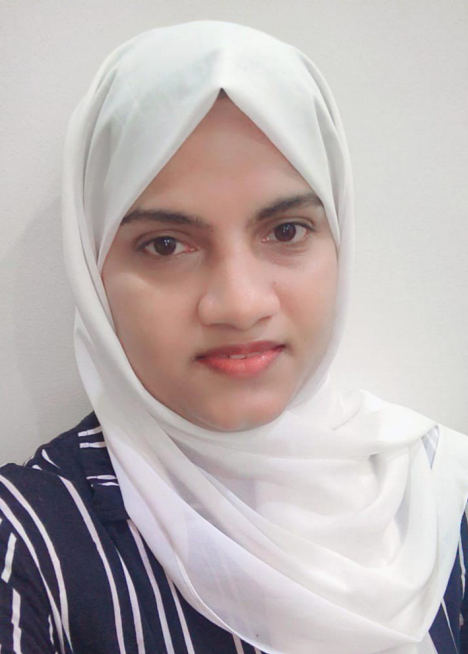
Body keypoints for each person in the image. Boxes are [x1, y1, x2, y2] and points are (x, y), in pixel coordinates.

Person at [0, 19, 467, 654]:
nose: (241, 305)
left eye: (286, 231)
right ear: (93, 268)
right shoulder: (32, 545)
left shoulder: (440, 493)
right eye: (166, 245)